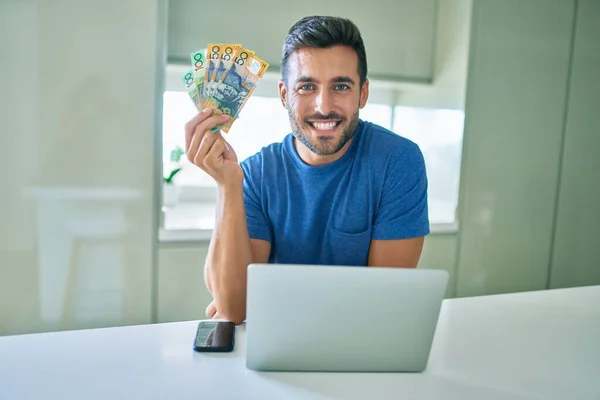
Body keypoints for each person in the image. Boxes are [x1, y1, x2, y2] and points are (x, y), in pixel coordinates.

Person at [184, 16, 430, 324]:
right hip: (275, 349)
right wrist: (227, 186)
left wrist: (269, 300)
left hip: (360, 345)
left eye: (341, 86)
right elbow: (234, 308)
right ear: (285, 95)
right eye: (307, 87)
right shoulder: (254, 175)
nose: (323, 106)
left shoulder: (397, 160)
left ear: (363, 93)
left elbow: (385, 299)